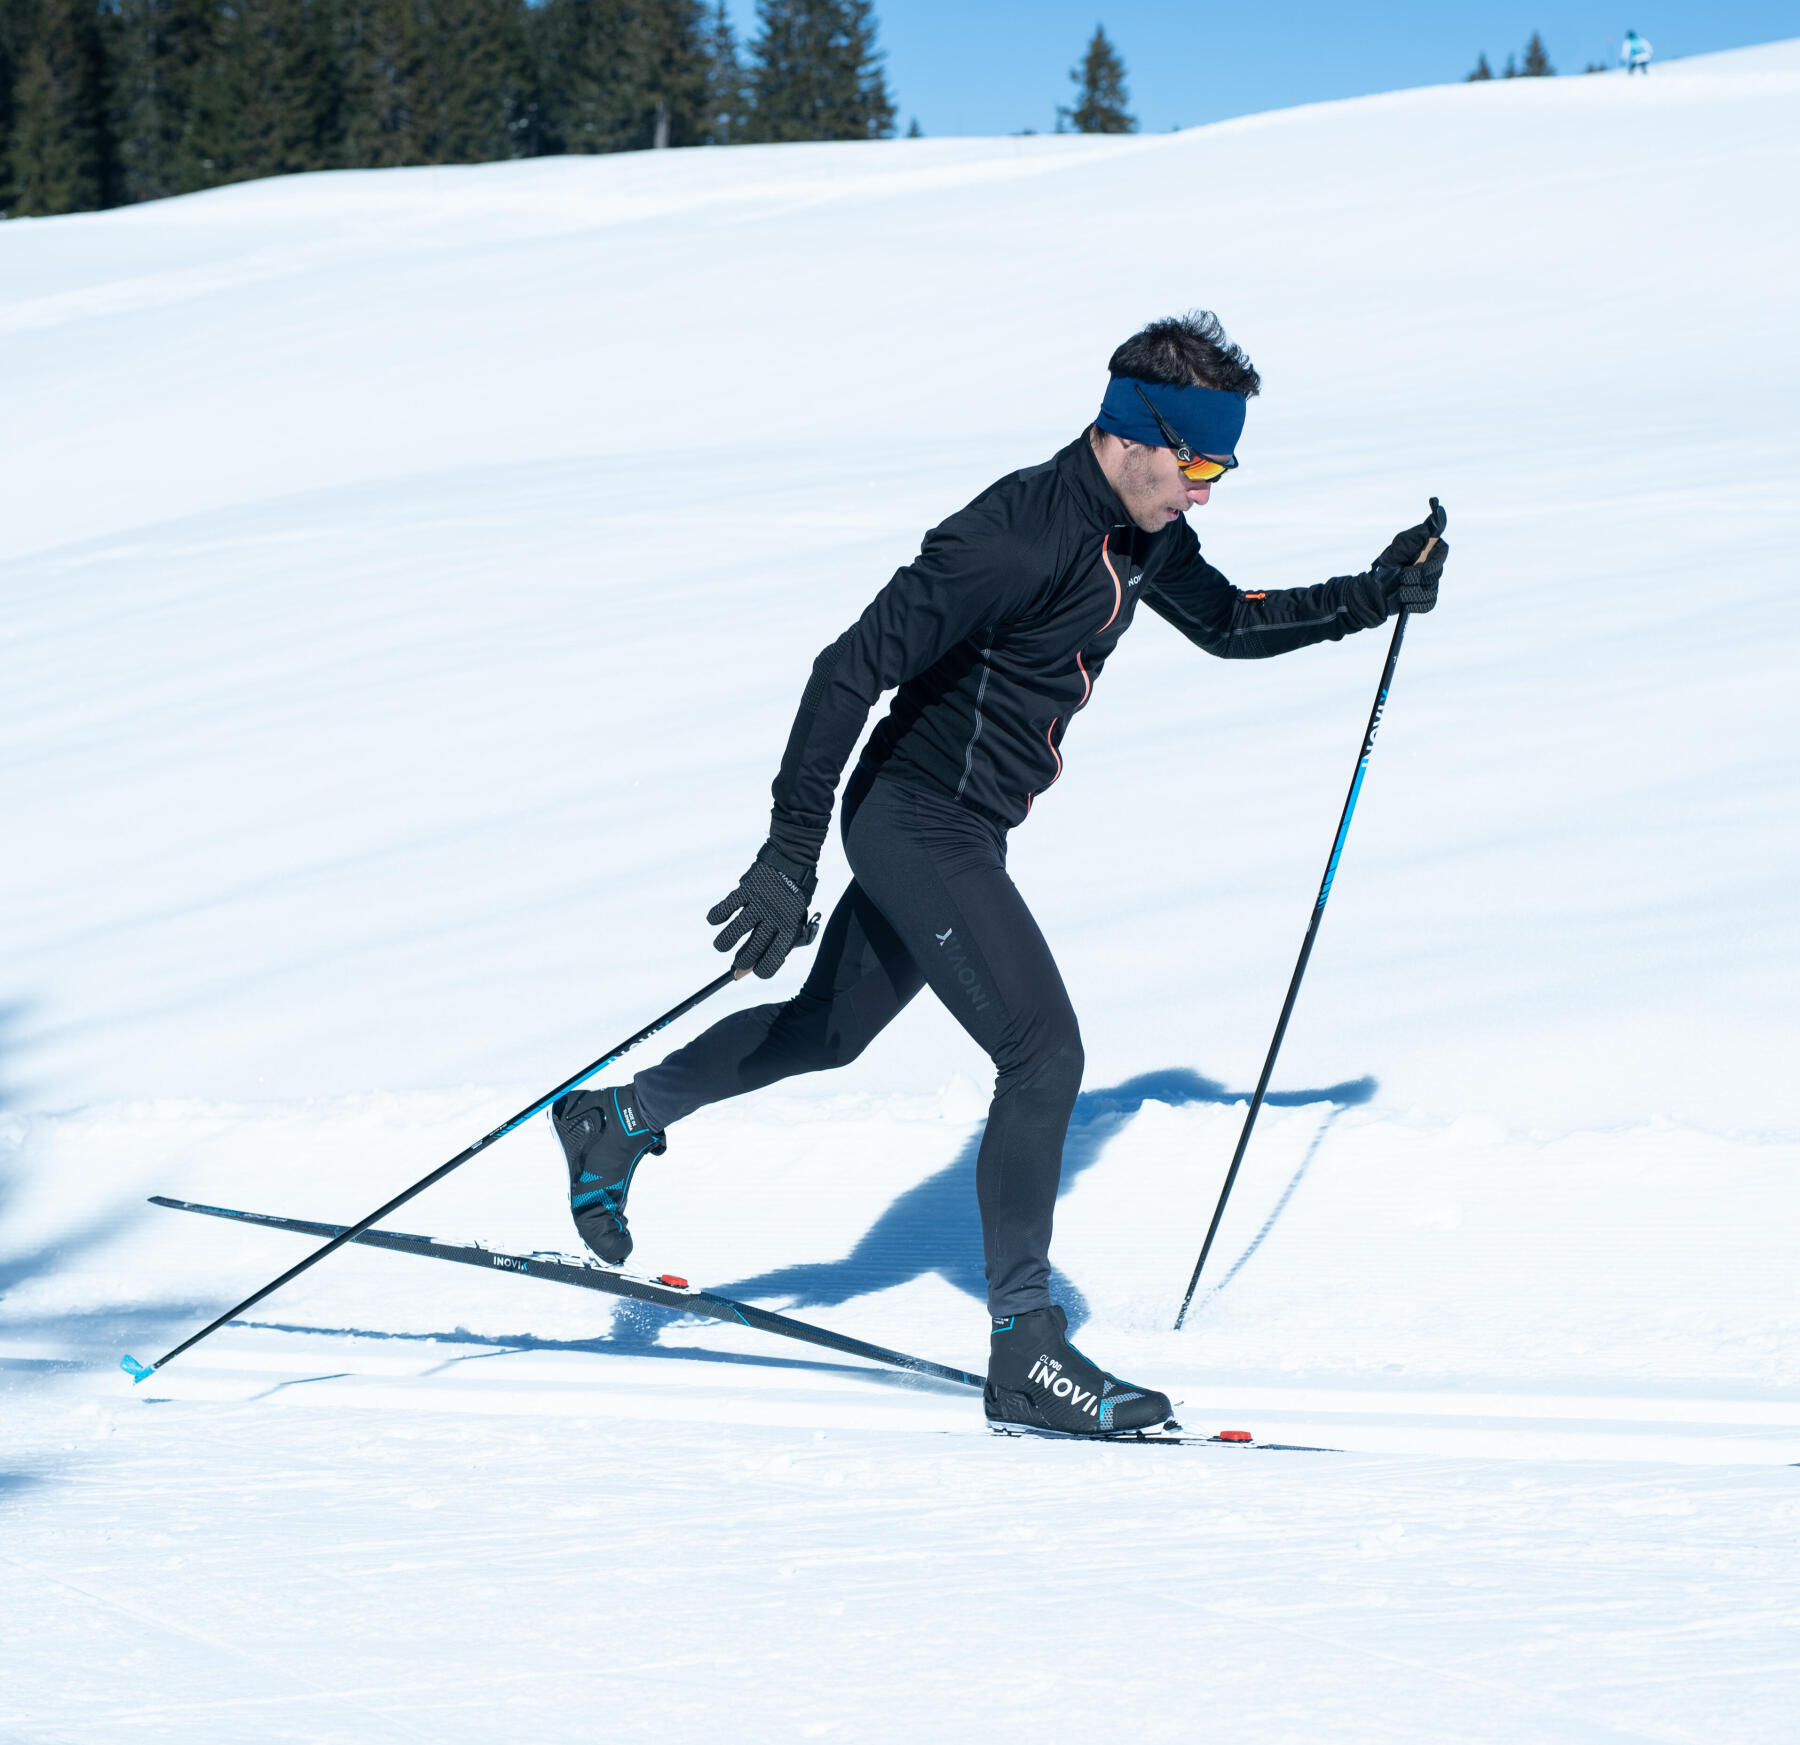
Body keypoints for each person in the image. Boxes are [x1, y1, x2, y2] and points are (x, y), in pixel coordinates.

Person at [551, 311, 1449, 1438]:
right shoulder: (1008, 535)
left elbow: (1225, 623)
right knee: (1044, 1052)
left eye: (1225, 467)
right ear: (1136, 434)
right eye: (1201, 463)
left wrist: (1371, 595)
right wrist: (790, 851)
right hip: (916, 820)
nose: (1208, 491)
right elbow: (847, 670)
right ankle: (1025, 1346)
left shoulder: (1141, 532)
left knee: (828, 1031)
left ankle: (621, 1116)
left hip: (965, 826)